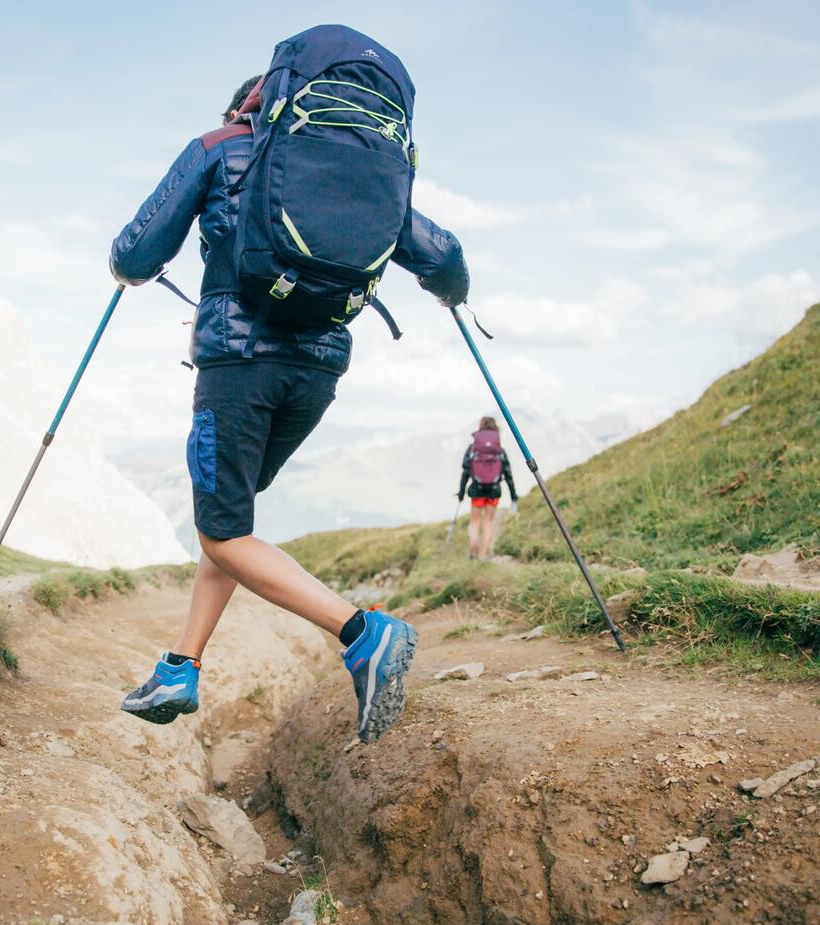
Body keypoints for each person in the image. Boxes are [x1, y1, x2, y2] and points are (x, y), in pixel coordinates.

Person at [110, 72, 469, 744]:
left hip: (239, 366)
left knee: (221, 531)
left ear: (245, 106)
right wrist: (453, 292)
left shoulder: (219, 148)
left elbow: (135, 252)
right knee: (233, 521)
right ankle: (181, 666)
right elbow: (443, 255)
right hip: (319, 371)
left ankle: (362, 632)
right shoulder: (359, 170)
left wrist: (126, 270)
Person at [457, 416, 518, 559]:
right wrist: (513, 495)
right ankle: (483, 555)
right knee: (488, 522)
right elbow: (508, 473)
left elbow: (466, 471)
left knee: (475, 520)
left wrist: (461, 492)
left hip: (476, 489)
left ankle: (473, 542)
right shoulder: (499, 450)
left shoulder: (472, 448)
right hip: (494, 491)